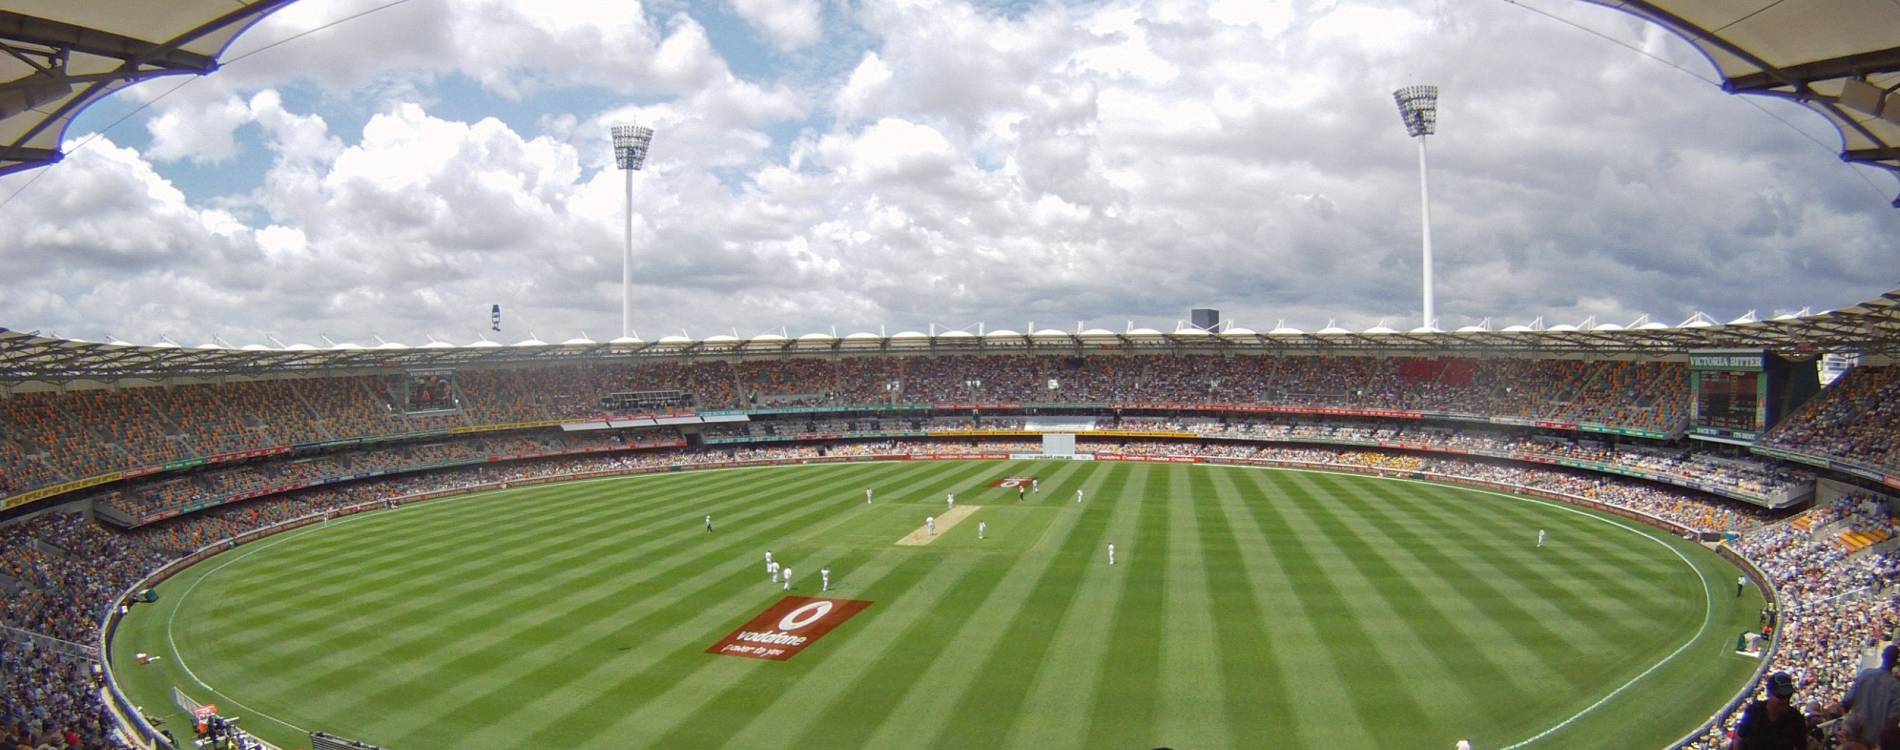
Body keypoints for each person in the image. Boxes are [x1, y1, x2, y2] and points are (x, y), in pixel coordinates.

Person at [1841, 645, 1900, 748]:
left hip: (1853, 734)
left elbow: (1847, 701)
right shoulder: (1896, 687)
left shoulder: (1866, 674)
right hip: (1874, 740)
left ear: (1882, 655)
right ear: (1896, 661)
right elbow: (1892, 721)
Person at [1730, 672, 1807, 750]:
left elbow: (1801, 746)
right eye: (1780, 695)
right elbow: (1739, 740)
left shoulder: (1796, 719)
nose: (1785, 699)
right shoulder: (1753, 711)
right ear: (1769, 693)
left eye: (1788, 695)